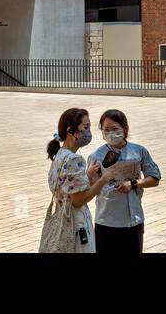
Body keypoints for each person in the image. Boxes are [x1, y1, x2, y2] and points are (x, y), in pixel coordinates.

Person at [42, 108, 119, 253]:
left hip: (61, 215)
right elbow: (78, 201)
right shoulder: (74, 159)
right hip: (76, 223)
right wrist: (104, 179)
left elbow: (67, 188)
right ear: (71, 131)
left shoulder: (59, 154)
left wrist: (87, 177)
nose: (88, 133)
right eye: (85, 127)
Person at [87, 108, 161, 253]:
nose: (110, 133)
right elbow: (89, 190)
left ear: (125, 129)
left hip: (134, 220)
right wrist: (90, 176)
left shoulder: (139, 151)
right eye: (106, 129)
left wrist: (133, 183)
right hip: (106, 221)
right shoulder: (96, 156)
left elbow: (154, 178)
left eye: (114, 129)